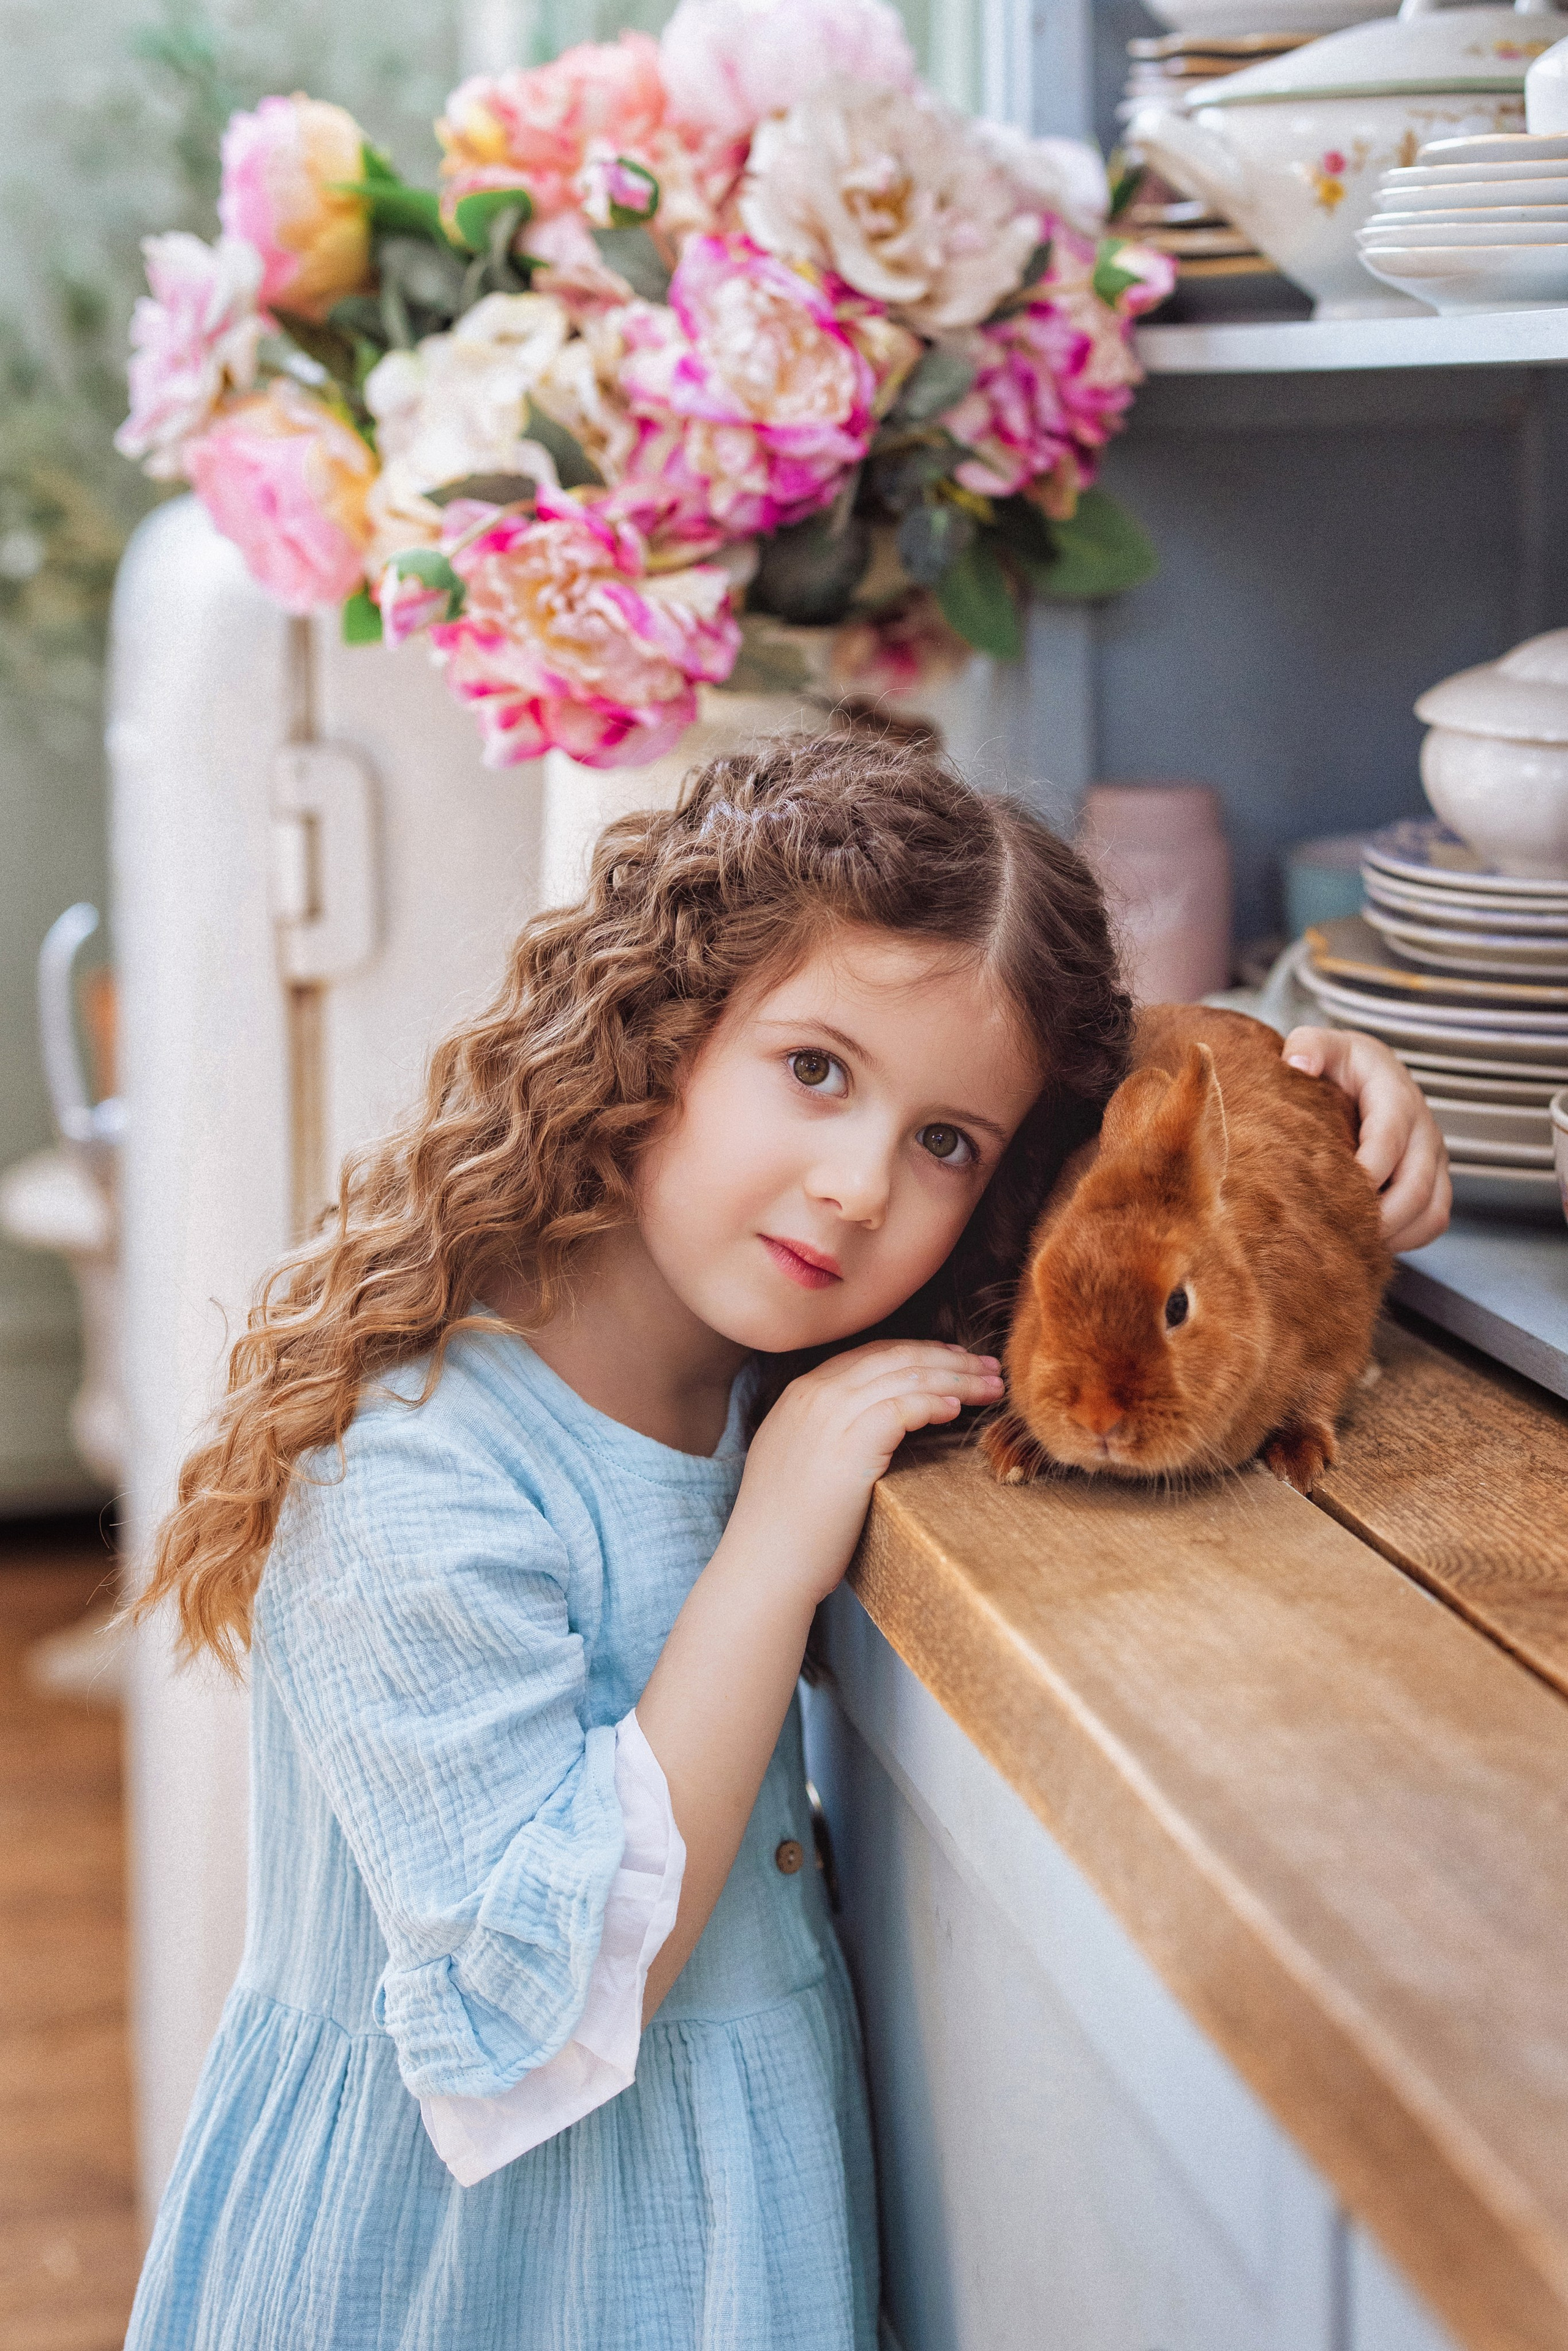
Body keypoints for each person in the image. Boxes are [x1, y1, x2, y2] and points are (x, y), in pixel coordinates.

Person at [124, 730, 1448, 2351]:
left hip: (732, 2246)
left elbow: (1147, 1161)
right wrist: (778, 1537)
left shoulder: (774, 1375)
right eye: (815, 1070)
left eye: (945, 1143)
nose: (854, 1189)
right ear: (658, 1033)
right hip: (448, 2285)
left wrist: (1317, 1089)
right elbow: (520, 2024)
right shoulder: (410, 1483)